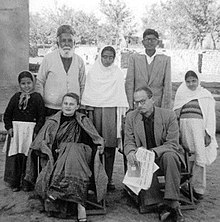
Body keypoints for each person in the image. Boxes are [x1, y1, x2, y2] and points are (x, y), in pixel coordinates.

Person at [25, 93, 106, 222]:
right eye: (65, 103)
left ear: (77, 106)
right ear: (62, 105)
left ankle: (57, 191)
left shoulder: (83, 120)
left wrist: (99, 146)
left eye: (71, 104)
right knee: (69, 150)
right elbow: (40, 143)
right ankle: (80, 205)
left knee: (73, 148)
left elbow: (94, 141)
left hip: (82, 155)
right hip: (59, 157)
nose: (68, 106)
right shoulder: (52, 121)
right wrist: (49, 148)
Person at [124, 86, 185, 222]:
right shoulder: (131, 117)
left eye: (143, 101)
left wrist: (153, 152)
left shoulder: (168, 115)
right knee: (142, 158)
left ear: (152, 99)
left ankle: (172, 202)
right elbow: (128, 141)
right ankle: (159, 204)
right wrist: (130, 151)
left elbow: (172, 143)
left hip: (163, 155)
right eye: (136, 102)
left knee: (170, 156)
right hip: (144, 157)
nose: (139, 105)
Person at [81, 45, 128, 191]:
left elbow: (120, 93)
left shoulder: (118, 73)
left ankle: (108, 178)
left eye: (111, 57)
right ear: (100, 57)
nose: (107, 60)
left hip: (111, 111)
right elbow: (88, 93)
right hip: (95, 111)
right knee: (94, 145)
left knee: (109, 146)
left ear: (114, 58)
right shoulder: (93, 72)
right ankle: (94, 178)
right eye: (105, 56)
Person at [173, 70, 218, 201]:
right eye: (188, 81)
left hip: (199, 128)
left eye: (194, 81)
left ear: (198, 81)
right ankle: (186, 184)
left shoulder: (205, 95)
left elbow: (210, 116)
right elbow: (176, 112)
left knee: (200, 155)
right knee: (187, 155)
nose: (191, 84)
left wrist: (208, 132)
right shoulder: (181, 93)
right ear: (185, 82)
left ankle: (198, 188)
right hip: (184, 127)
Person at [3, 70, 45, 192]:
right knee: (15, 157)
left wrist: (36, 130)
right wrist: (9, 127)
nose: (26, 86)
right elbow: (7, 115)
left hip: (30, 132)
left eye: (29, 83)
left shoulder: (37, 98)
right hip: (16, 133)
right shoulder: (15, 97)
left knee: (29, 157)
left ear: (33, 83)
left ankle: (27, 182)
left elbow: (41, 116)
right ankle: (14, 181)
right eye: (23, 83)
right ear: (19, 84)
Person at [35, 24, 86, 117]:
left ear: (74, 43)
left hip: (73, 109)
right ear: (58, 43)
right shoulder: (48, 59)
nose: (66, 43)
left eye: (70, 40)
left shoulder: (79, 60)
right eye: (63, 41)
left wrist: (80, 104)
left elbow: (83, 84)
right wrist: (40, 104)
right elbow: (40, 82)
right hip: (51, 108)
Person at [125, 28, 172, 111]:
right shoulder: (134, 58)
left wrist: (165, 108)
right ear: (143, 42)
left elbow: (167, 85)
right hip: (138, 104)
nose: (150, 42)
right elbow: (129, 83)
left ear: (158, 42)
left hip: (157, 104)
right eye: (147, 39)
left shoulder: (165, 59)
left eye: (153, 39)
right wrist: (130, 105)